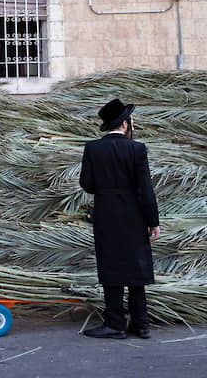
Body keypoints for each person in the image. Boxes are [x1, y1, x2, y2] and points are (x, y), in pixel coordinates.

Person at [80, 99, 161, 340]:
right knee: (136, 265)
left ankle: (115, 324)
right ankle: (141, 324)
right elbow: (146, 190)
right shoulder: (137, 149)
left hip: (106, 214)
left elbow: (87, 184)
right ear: (125, 124)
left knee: (111, 266)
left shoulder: (93, 148)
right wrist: (153, 221)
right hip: (135, 216)